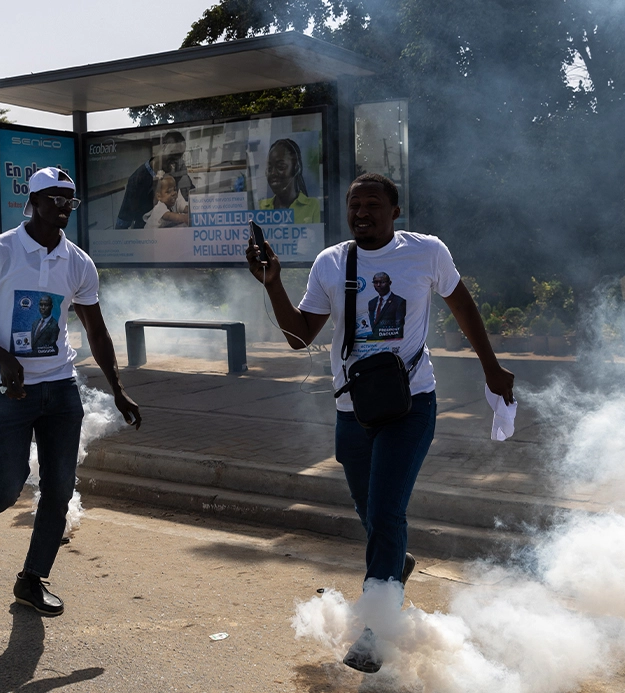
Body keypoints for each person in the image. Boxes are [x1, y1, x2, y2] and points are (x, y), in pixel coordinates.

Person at [245, 172, 514, 673]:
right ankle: (396, 565)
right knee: (372, 513)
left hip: (412, 403)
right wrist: (273, 283)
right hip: (355, 410)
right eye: (354, 205)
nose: (362, 213)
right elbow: (299, 338)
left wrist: (491, 367)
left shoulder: (427, 252)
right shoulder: (332, 262)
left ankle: (375, 631)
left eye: (372, 205)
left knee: (387, 512)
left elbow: (463, 307)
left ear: (394, 211)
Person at [0, 167, 142, 616]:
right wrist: (3, 358)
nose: (63, 205)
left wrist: (118, 389)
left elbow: (97, 330)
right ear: (31, 202)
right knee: (7, 489)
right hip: (10, 390)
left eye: (69, 199)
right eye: (53, 198)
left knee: (58, 491)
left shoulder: (78, 262)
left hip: (60, 387)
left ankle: (32, 580)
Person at [116, 131, 189, 229]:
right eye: (174, 155)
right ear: (164, 147)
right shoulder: (138, 179)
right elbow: (123, 222)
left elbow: (184, 199)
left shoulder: (173, 173)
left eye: (180, 156)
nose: (177, 161)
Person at [257, 138, 321, 224]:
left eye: (281, 167)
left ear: (296, 168)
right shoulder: (260, 207)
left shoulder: (312, 206)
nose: (273, 173)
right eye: (269, 168)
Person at [367, 272, 406, 340]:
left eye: (382, 282)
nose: (378, 285)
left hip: (389, 342)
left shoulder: (399, 302)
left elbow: (399, 327)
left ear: (389, 283)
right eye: (375, 282)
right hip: (372, 342)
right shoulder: (372, 302)